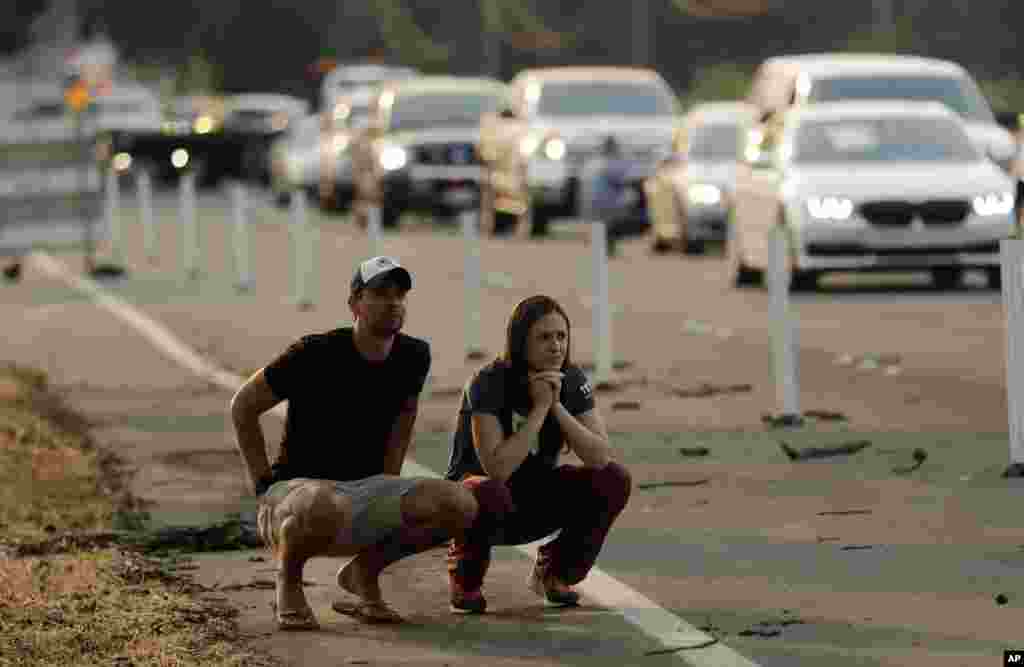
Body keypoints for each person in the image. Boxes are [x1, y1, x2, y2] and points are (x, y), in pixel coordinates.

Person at [230, 255, 479, 630]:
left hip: (362, 491)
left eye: (399, 295)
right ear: (354, 304)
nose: (393, 302)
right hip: (297, 496)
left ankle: (363, 573)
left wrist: (390, 481)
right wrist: (263, 486)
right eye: (379, 293)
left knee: (461, 504)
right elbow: (243, 405)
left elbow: (404, 415)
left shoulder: (413, 355)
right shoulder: (313, 353)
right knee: (320, 501)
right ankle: (289, 581)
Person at [443, 295, 632, 614]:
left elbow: (600, 456)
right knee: (489, 490)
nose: (556, 346)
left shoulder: (570, 380)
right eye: (544, 337)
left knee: (614, 479)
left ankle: (554, 571)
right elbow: (497, 468)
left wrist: (556, 405)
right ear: (520, 342)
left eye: (561, 336)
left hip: (530, 500)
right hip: (475, 507)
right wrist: (539, 408)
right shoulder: (488, 381)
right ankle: (465, 579)